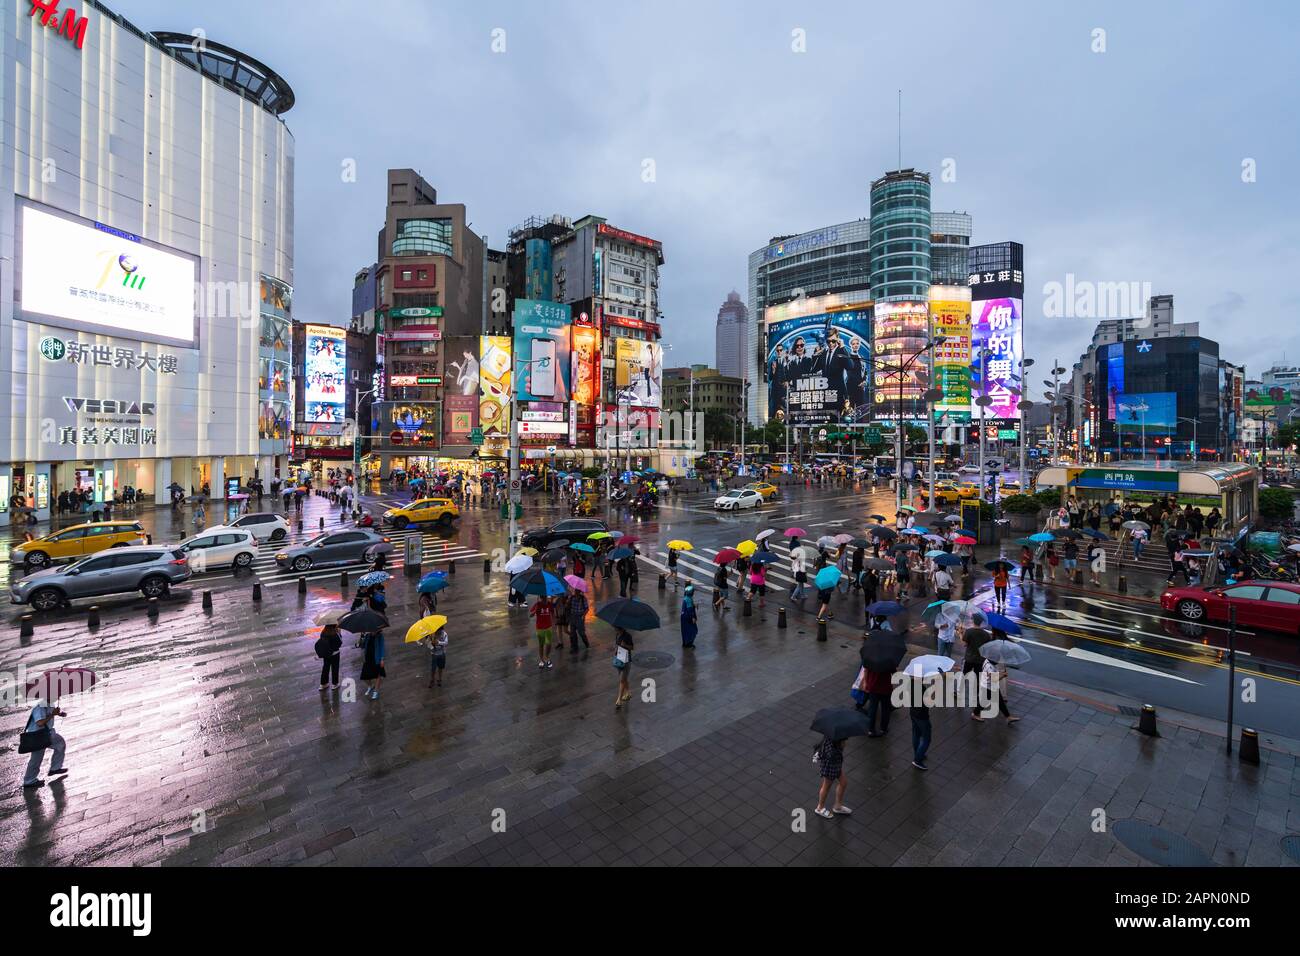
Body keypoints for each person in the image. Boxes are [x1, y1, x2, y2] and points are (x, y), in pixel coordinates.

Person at [21, 697, 68, 789]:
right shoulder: (39, 707)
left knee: (60, 744)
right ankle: (29, 781)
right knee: (36, 758)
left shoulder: (50, 704)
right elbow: (40, 723)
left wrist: (59, 714)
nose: (57, 697)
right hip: (37, 735)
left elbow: (50, 714)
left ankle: (55, 768)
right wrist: (52, 715)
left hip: (47, 733)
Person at [813, 737, 850, 819]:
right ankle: (820, 808)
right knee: (826, 787)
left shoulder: (831, 738)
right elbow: (828, 755)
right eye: (844, 741)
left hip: (836, 766)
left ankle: (838, 806)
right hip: (830, 768)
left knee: (843, 783)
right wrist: (841, 747)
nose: (845, 742)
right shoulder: (831, 749)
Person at [909, 677, 932, 771]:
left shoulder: (910, 684)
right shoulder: (922, 689)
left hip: (913, 713)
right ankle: (917, 760)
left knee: (916, 734)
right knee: (927, 738)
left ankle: (918, 753)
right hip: (922, 716)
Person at [862, 665, 893, 737]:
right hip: (886, 688)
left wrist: (865, 683)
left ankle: (871, 730)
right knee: (885, 709)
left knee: (872, 709)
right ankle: (883, 728)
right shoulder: (888, 660)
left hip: (873, 688)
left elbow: (866, 671)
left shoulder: (870, 658)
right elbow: (894, 673)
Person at [530, 595, 556, 669]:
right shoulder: (537, 604)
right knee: (541, 644)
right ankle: (541, 660)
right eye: (543, 598)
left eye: (545, 597)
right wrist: (535, 610)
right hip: (540, 627)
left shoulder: (549, 604)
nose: (544, 599)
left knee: (549, 643)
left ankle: (547, 657)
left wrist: (554, 623)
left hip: (548, 627)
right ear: (541, 597)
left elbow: (553, 613)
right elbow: (531, 615)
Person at [360, 629, 386, 700]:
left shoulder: (380, 636)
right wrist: (362, 636)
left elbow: (382, 648)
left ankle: (376, 691)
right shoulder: (367, 636)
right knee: (364, 676)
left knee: (378, 675)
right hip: (368, 659)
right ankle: (370, 686)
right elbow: (362, 646)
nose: (372, 631)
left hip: (376, 659)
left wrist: (382, 659)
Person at [315, 623, 343, 690]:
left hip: (326, 654)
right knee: (335, 668)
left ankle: (323, 684)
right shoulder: (335, 634)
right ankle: (335, 684)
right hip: (335, 654)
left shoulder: (323, 632)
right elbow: (339, 643)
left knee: (325, 667)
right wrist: (339, 633)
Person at [614, 628, 634, 708]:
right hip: (619, 659)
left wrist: (625, 645)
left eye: (616, 628)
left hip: (626, 660)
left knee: (622, 680)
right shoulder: (617, 635)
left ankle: (619, 700)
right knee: (624, 678)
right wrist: (616, 650)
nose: (615, 629)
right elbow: (617, 645)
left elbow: (632, 647)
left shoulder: (628, 636)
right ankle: (628, 693)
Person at [567, 586, 590, 651]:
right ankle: (574, 646)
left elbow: (587, 608)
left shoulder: (583, 599)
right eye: (575, 591)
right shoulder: (572, 598)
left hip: (580, 617)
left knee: (581, 632)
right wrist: (568, 601)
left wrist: (583, 615)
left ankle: (586, 642)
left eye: (577, 591)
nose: (576, 592)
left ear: (580, 592)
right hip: (573, 616)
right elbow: (568, 606)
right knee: (572, 633)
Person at [680, 584, 698, 648]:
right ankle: (689, 643)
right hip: (688, 617)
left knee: (685, 630)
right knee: (692, 630)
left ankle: (685, 643)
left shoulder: (686, 598)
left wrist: (694, 605)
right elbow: (690, 610)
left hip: (683, 617)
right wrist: (693, 617)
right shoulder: (689, 600)